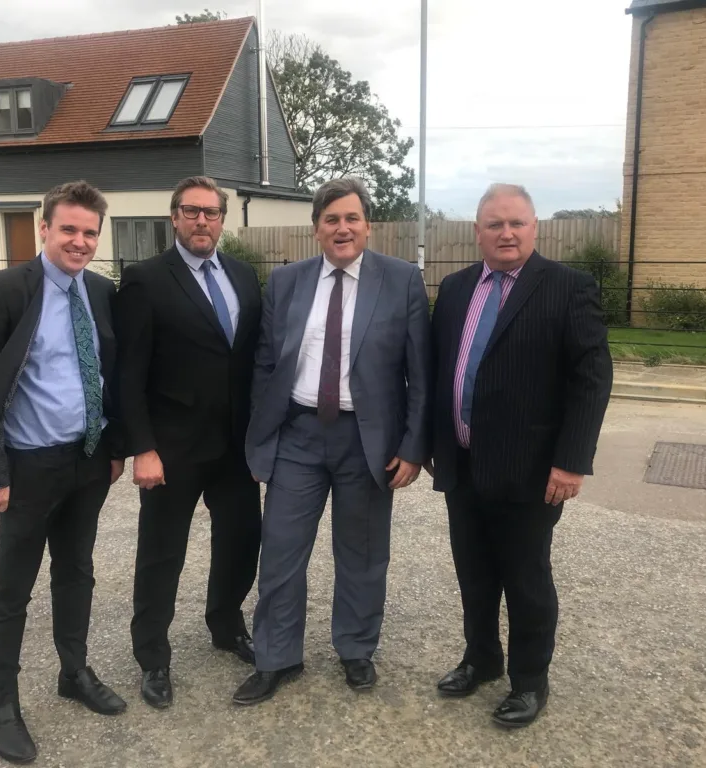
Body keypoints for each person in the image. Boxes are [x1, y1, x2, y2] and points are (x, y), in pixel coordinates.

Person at [232, 176, 431, 705]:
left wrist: (413, 446)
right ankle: (276, 655)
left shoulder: (402, 280)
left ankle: (356, 648)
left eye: (351, 218)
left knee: (363, 553)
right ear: (316, 228)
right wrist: (261, 437)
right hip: (297, 436)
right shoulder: (288, 282)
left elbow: (420, 373)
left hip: (367, 440)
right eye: (331, 219)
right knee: (279, 550)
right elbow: (266, 364)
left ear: (368, 225)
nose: (341, 228)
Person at [426, 183, 613, 728]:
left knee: (526, 580)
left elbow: (592, 379)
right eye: (494, 224)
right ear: (477, 230)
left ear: (536, 227)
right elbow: (443, 370)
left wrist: (572, 460)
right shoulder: (457, 287)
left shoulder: (567, 287)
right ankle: (481, 658)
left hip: (531, 471)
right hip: (462, 465)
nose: (506, 233)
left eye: (517, 223)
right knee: (474, 573)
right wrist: (437, 444)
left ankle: (530, 681)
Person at [0, 180, 127, 764]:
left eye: (89, 232)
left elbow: (112, 373)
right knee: (12, 591)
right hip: (28, 467)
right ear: (44, 228)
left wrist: (115, 449)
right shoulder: (5, 289)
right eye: (69, 229)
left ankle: (73, 671)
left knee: (76, 572)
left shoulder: (103, 291)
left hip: (86, 461)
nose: (79, 241)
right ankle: (1, 704)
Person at [115, 176, 263, 711]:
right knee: (161, 554)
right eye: (191, 211)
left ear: (224, 219)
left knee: (242, 541)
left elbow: (249, 362)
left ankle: (226, 625)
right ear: (173, 217)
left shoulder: (245, 278)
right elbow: (128, 374)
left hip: (236, 447)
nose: (203, 221)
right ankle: (152, 655)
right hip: (172, 449)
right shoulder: (145, 280)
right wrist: (143, 448)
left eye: (212, 212)